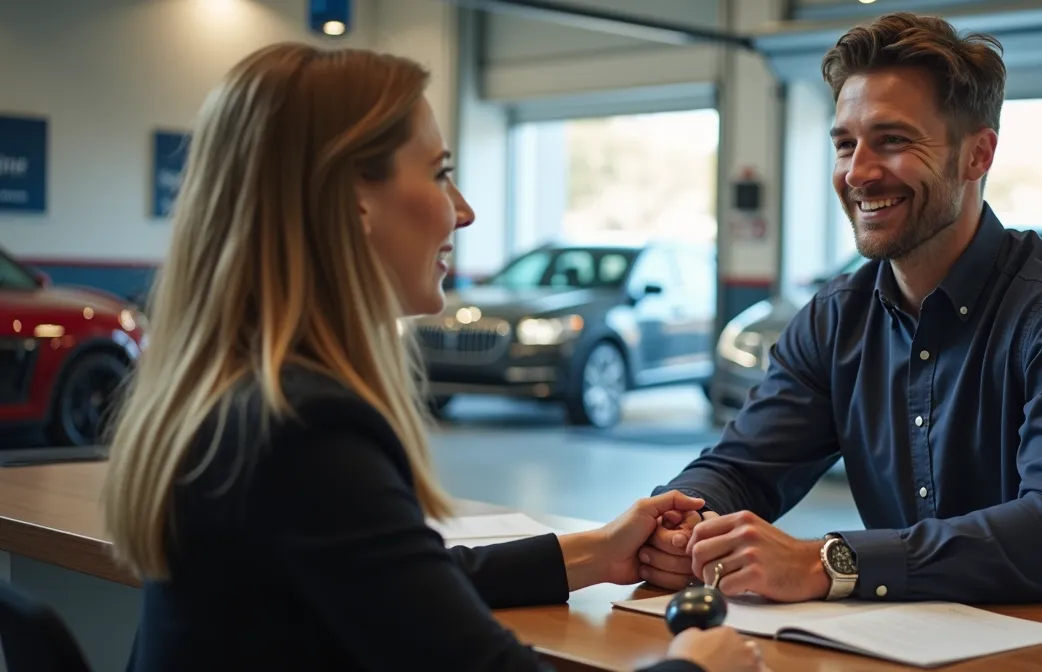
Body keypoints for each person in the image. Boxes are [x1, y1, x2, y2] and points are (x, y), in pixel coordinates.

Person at [102, 43, 766, 672]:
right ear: (353, 199)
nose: (465, 211)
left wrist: (593, 552)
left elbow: (397, 583)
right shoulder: (308, 432)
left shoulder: (239, 393)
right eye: (440, 173)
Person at [636, 12, 1042, 622]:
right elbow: (741, 467)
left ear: (978, 155)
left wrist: (827, 562)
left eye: (893, 140)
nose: (858, 172)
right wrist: (683, 520)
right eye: (845, 143)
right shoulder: (837, 318)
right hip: (918, 640)